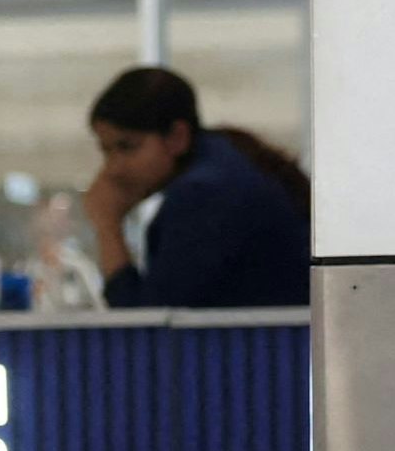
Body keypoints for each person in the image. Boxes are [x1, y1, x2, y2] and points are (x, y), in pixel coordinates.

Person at [81, 67, 309, 310]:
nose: (113, 169)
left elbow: (147, 327)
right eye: (106, 151)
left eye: (128, 147)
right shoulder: (225, 161)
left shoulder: (203, 196)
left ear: (177, 137)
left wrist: (107, 226)